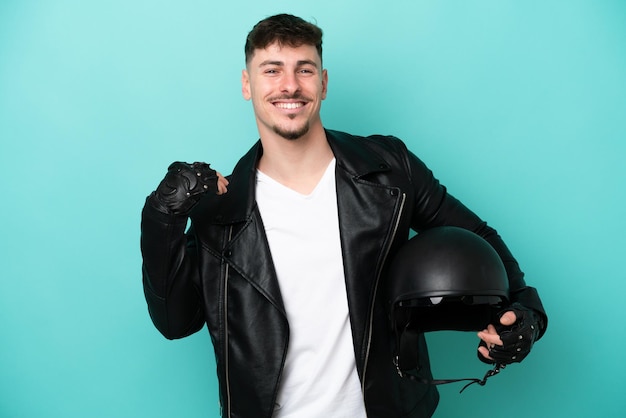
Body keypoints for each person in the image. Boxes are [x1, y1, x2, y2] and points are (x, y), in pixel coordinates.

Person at [140, 13, 547, 418]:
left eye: (305, 69)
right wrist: (163, 214)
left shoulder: (390, 168)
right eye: (272, 70)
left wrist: (525, 310)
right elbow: (176, 321)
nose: (290, 85)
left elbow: (475, 236)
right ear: (247, 85)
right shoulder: (220, 206)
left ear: (324, 83)